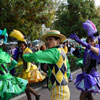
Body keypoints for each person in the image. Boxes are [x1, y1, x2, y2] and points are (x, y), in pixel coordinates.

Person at [23, 30, 70, 100]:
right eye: (47, 40)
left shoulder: (55, 51)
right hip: (61, 88)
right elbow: (67, 70)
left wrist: (26, 56)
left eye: (50, 39)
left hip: (59, 90)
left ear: (58, 41)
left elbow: (36, 56)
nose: (48, 42)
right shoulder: (61, 51)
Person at [70, 20, 100, 100]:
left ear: (96, 41)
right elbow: (83, 56)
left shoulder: (97, 49)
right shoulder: (87, 50)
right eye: (89, 41)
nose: (90, 42)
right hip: (85, 75)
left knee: (82, 97)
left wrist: (81, 42)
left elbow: (94, 50)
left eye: (92, 41)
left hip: (91, 77)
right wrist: (78, 50)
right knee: (89, 96)